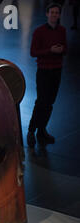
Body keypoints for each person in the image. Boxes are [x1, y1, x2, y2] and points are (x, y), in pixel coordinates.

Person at [27, 3, 67, 147]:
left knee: (50, 103)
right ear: (47, 14)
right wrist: (50, 50)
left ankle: (42, 130)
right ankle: (31, 131)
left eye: (57, 13)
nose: (54, 15)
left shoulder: (62, 30)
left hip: (57, 70)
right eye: (52, 12)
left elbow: (66, 48)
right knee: (41, 102)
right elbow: (33, 52)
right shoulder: (39, 31)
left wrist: (61, 49)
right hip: (44, 70)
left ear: (59, 15)